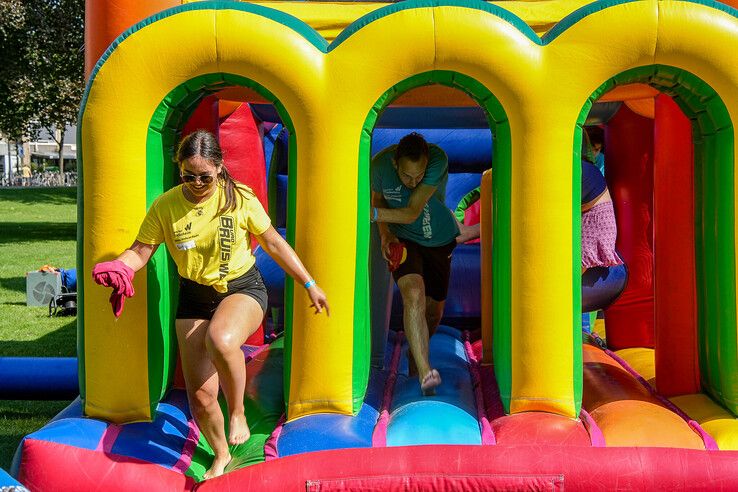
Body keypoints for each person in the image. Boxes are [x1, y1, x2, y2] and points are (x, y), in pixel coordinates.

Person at [92, 130, 329, 479]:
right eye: (189, 176)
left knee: (220, 338)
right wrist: (120, 267)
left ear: (219, 167)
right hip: (195, 295)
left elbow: (274, 243)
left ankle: (237, 412)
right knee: (201, 397)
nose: (197, 183)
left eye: (205, 175)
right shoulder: (167, 206)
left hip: (242, 288)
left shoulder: (239, 198)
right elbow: (141, 251)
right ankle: (220, 454)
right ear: (180, 170)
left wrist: (308, 283)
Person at [370, 132, 459, 396]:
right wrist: (386, 234)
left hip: (439, 239)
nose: (413, 182)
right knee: (413, 295)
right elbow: (378, 199)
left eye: (418, 177)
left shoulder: (437, 159)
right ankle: (424, 372)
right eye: (407, 176)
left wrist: (370, 215)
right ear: (395, 164)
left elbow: (411, 212)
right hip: (405, 240)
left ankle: (414, 356)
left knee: (433, 313)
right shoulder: (380, 166)